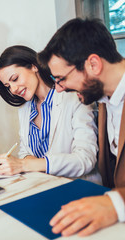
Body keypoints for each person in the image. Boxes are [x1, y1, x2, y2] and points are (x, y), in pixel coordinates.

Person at [38, 18, 125, 237]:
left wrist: (115, 204)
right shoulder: (103, 97)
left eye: (61, 79)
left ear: (93, 64)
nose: (58, 89)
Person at [0, 45, 100, 183]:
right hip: (42, 185)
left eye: (15, 79)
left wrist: (25, 164)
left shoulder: (74, 97)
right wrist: (25, 162)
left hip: (78, 187)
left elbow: (85, 160)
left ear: (34, 66)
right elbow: (25, 153)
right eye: (7, 86)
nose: (13, 89)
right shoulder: (25, 108)